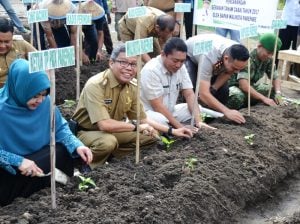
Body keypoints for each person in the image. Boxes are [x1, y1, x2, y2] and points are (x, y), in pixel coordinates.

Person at [72, 44, 193, 168]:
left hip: (113, 132)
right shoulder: (96, 85)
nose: (129, 68)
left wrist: (172, 131)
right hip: (87, 133)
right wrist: (136, 127)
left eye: (134, 64)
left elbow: (143, 118)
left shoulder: (132, 86)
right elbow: (104, 125)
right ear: (111, 63)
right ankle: (85, 165)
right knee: (108, 142)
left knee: (150, 135)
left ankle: (113, 160)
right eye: (123, 63)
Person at [0, 59, 93, 206]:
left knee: (63, 150)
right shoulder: (2, 109)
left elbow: (60, 128)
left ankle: (45, 186)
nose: (40, 100)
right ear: (19, 88)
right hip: (11, 168)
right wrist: (17, 161)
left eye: (43, 94)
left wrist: (77, 145)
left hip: (38, 161)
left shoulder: (46, 103)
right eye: (34, 95)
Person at [140, 37, 213, 130]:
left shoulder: (180, 68)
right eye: (175, 61)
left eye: (182, 61)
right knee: (162, 120)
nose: (178, 65)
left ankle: (183, 126)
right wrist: (180, 127)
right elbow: (158, 106)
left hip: (170, 111)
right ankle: (171, 128)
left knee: (198, 110)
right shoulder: (151, 70)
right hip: (149, 113)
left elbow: (189, 94)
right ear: (163, 54)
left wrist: (199, 121)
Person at [185, 34, 249, 124]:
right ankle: (192, 119)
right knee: (192, 88)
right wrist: (227, 111)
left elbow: (228, 72)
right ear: (226, 59)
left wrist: (213, 88)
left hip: (214, 61)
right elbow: (203, 94)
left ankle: (213, 119)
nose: (237, 72)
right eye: (235, 68)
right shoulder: (209, 56)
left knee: (223, 91)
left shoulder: (237, 52)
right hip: (190, 56)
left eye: (240, 69)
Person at [227, 33, 284, 109]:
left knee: (273, 90)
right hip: (234, 88)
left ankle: (251, 104)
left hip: (250, 87)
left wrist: (278, 93)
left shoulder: (268, 60)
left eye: (273, 54)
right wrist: (263, 98)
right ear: (259, 46)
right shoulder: (247, 58)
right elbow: (243, 85)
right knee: (237, 96)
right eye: (268, 52)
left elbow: (275, 77)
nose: (270, 56)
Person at [0, 18, 36, 87]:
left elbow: (39, 60)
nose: (2, 46)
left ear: (12, 37)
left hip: (24, 87)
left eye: (7, 42)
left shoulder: (20, 44)